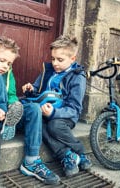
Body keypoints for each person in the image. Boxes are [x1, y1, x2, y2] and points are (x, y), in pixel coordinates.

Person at [0, 36, 60, 185]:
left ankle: (31, 161)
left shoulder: (9, 74)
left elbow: (11, 95)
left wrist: (14, 105)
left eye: (9, 63)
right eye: (2, 61)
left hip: (7, 119)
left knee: (34, 108)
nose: (5, 66)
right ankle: (6, 122)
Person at [22, 35, 92, 177]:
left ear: (72, 59)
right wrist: (31, 89)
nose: (55, 63)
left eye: (60, 60)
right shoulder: (48, 71)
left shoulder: (78, 77)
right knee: (38, 123)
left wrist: (54, 113)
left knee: (54, 125)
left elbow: (74, 108)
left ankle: (80, 152)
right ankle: (67, 155)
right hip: (44, 111)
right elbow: (37, 89)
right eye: (53, 58)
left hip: (65, 116)